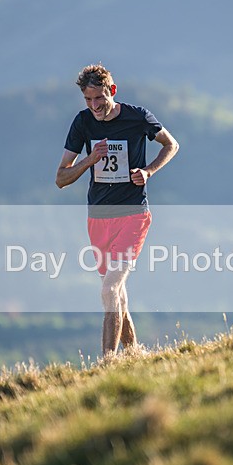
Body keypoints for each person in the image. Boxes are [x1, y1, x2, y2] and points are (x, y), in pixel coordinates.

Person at [56, 64, 179, 356]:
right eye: (88, 100)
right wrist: (90, 159)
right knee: (117, 296)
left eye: (99, 98)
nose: (95, 106)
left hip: (133, 214)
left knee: (109, 289)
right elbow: (61, 178)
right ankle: (135, 354)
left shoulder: (138, 116)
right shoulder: (83, 122)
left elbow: (171, 145)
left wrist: (148, 172)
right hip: (98, 218)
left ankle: (108, 362)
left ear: (112, 91)